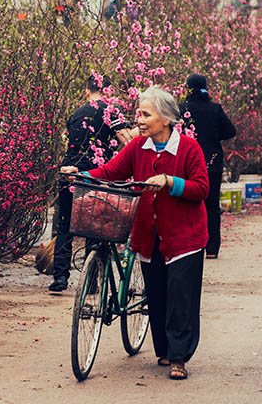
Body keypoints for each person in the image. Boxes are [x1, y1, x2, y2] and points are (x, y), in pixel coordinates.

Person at [62, 85, 209, 380]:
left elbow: (201, 188)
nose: (138, 120)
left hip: (184, 236)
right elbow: (112, 170)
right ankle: (165, 351)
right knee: (156, 295)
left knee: (180, 296)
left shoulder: (188, 148)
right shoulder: (137, 147)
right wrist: (82, 174)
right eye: (138, 114)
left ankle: (180, 357)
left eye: (145, 114)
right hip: (149, 233)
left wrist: (169, 181)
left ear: (166, 119)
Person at [49, 76, 133, 292]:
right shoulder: (111, 112)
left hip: (69, 173)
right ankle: (92, 282)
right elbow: (128, 142)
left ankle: (60, 278)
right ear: (108, 91)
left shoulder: (76, 113)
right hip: (96, 176)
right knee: (95, 226)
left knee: (66, 225)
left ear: (88, 91)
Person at [180, 74, 236, 259]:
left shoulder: (181, 109)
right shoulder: (215, 109)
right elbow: (230, 131)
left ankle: (190, 247)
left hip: (187, 162)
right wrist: (213, 135)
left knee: (188, 205)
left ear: (188, 88)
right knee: (211, 205)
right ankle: (212, 249)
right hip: (211, 161)